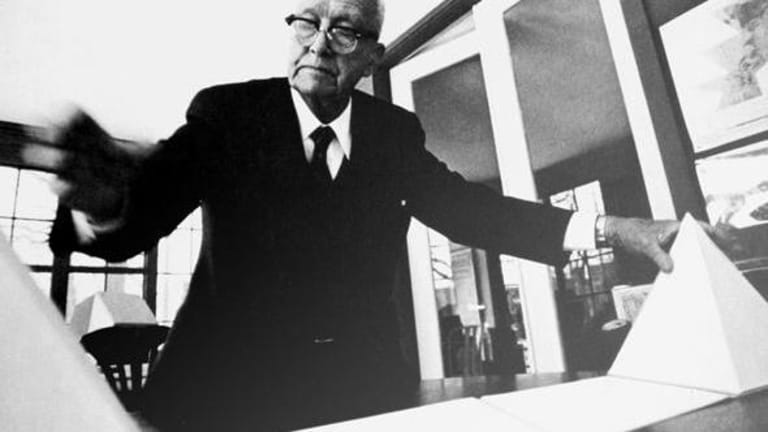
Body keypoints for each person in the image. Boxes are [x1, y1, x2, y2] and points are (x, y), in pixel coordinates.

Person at [23, 0, 723, 430]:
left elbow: (467, 209)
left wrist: (610, 227)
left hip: (358, 396)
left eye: (346, 30)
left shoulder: (394, 134)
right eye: (307, 21)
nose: (320, 42)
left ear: (373, 54)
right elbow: (139, 220)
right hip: (219, 396)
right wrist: (104, 201)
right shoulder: (226, 114)